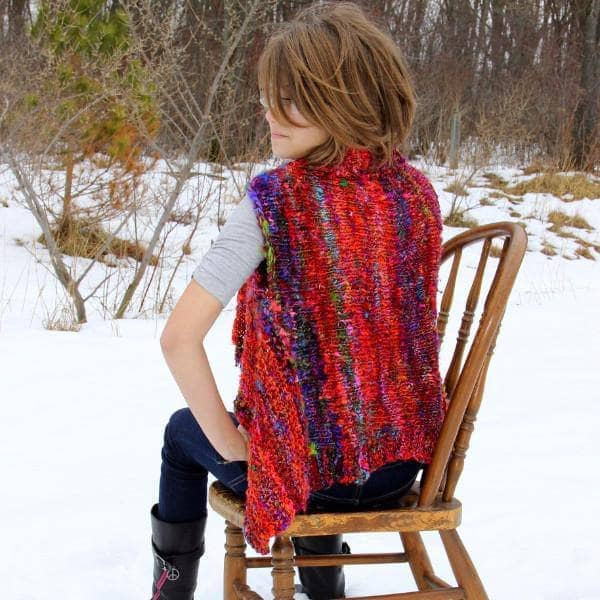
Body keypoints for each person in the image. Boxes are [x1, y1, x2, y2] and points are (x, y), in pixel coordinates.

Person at [149, 2, 448, 599]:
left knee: (184, 433)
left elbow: (178, 339)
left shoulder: (272, 204)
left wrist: (238, 447)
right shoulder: (413, 194)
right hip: (403, 463)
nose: (269, 113)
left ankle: (169, 593)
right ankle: (324, 589)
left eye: (292, 98)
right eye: (267, 96)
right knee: (315, 423)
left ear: (348, 100)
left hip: (305, 475)